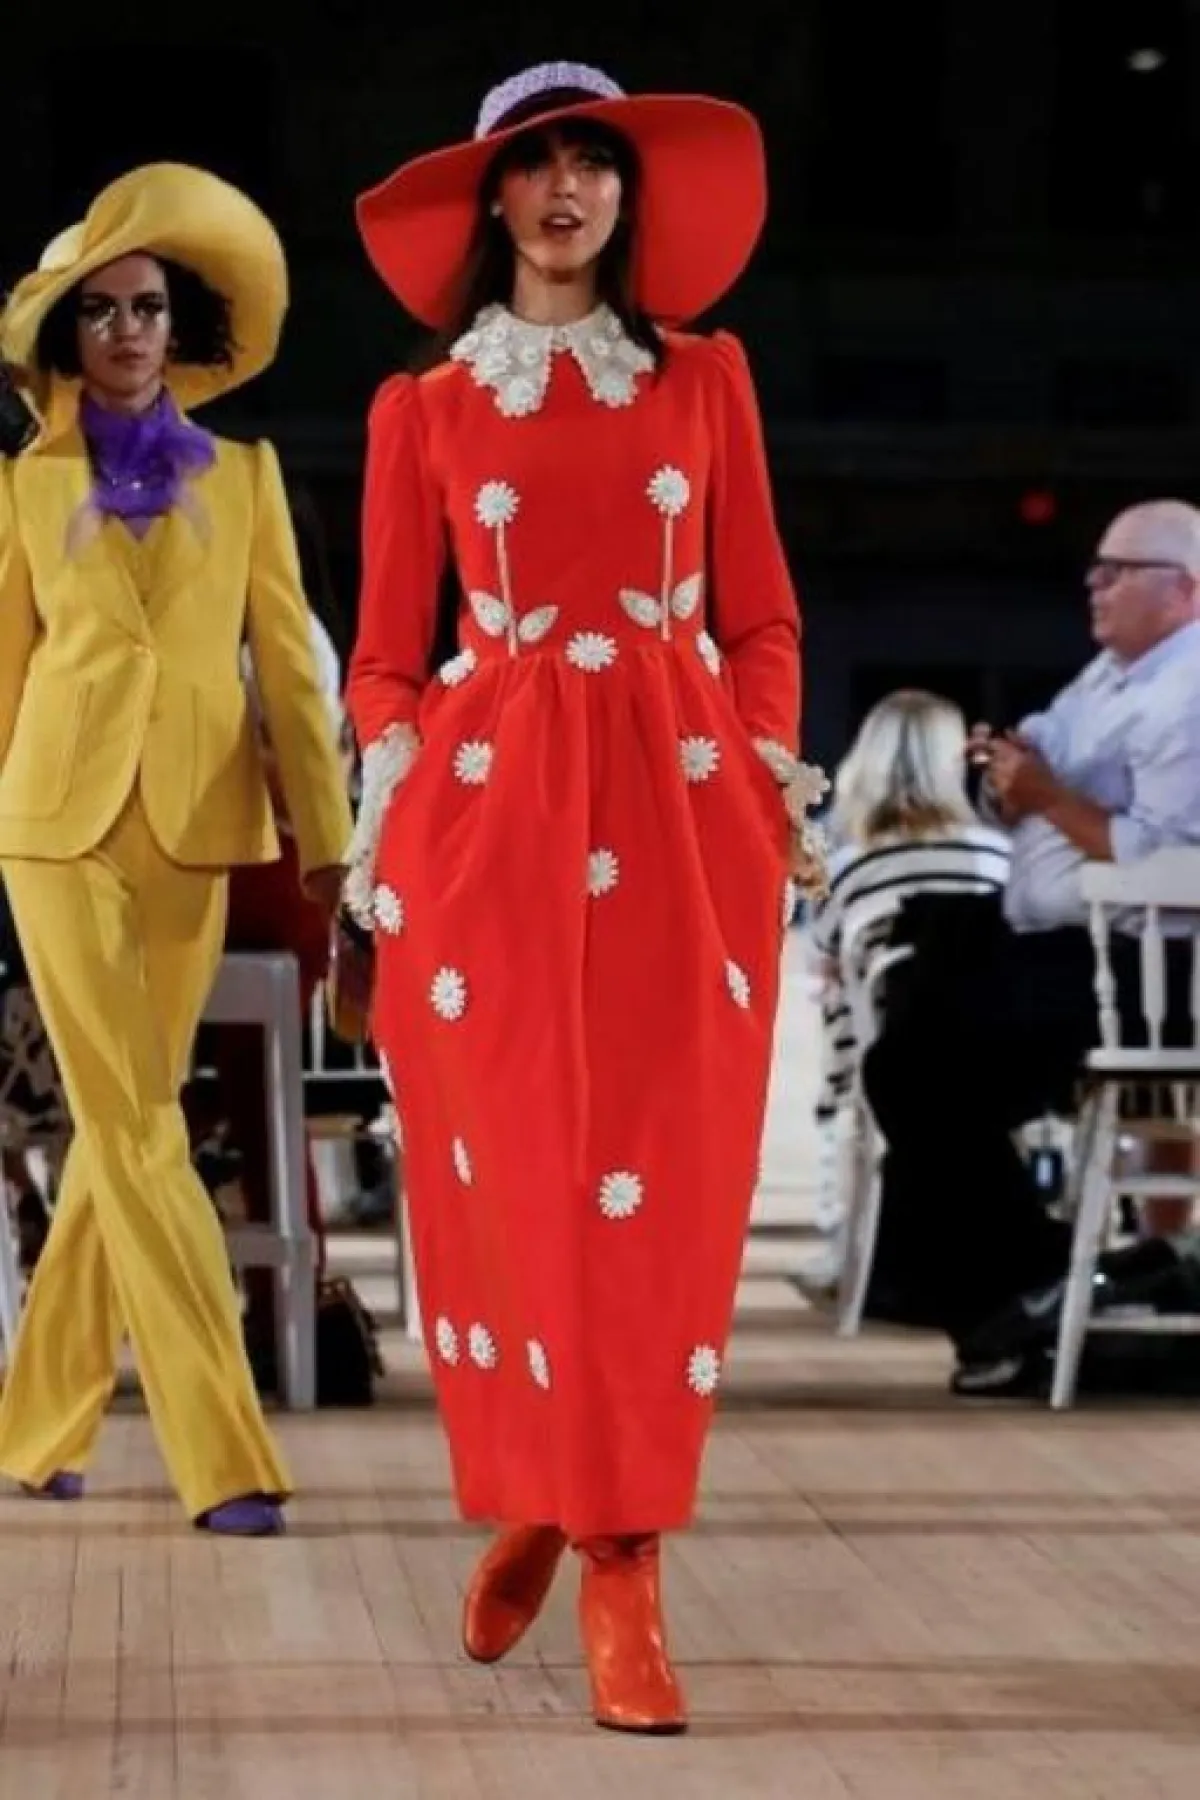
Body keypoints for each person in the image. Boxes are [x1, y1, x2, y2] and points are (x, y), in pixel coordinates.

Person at [345, 60, 825, 1734]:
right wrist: (403, 793)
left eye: (593, 163)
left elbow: (761, 615)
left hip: (684, 816)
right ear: (493, 197)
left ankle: (616, 1548)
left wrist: (758, 770)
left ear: (628, 195)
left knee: (663, 1188)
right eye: (536, 163)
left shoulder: (708, 378)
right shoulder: (423, 408)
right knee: (522, 1182)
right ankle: (562, 1505)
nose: (566, 189)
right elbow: (385, 657)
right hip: (488, 831)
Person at [0, 163, 352, 1532]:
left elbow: (293, 684)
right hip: (53, 831)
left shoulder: (248, 479)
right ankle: (226, 1453)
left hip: (198, 835)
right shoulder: (22, 490)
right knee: (146, 1129)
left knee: (118, 1127)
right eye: (99, 312)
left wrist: (328, 851)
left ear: (181, 326)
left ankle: (36, 1429)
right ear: (66, 337)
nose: (128, 331)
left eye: (148, 307)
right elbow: (3, 675)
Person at [864, 500, 1200, 1389]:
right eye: (1096, 568)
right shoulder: (1108, 677)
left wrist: (1048, 796)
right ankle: (1028, 1280)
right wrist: (1005, 778)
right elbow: (1042, 767)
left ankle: (1010, 1287)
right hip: (1065, 949)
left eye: (1118, 571)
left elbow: (1166, 859)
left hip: (1146, 971)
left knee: (917, 1068)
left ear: (1185, 590)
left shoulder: (1189, 691)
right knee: (913, 1012)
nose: (1095, 583)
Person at [806, 690, 1010, 1288]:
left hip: (882, 1057)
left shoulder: (848, 864)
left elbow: (825, 958)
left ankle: (847, 1231)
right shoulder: (1000, 857)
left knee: (842, 997)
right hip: (993, 1056)